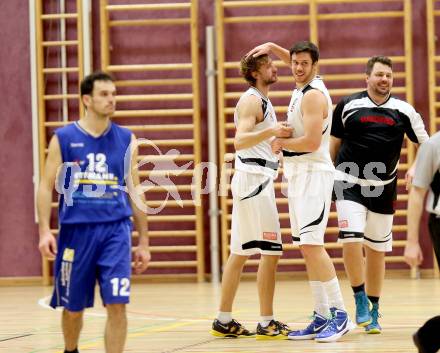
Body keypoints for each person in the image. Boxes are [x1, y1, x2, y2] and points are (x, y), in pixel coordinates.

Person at [37, 72, 151, 353]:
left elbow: (135, 190)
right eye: (104, 94)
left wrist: (144, 241)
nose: (111, 99)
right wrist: (43, 232)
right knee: (73, 309)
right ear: (87, 99)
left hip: (116, 231)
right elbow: (44, 186)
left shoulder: (126, 138)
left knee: (117, 304)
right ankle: (70, 350)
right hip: (76, 233)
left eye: (113, 93)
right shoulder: (63, 138)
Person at [248, 41, 354, 343]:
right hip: (298, 175)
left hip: (313, 175)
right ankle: (322, 315)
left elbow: (309, 142)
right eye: (293, 62)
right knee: (306, 247)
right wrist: (271, 46)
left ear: (315, 65)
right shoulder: (302, 86)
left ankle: (340, 313)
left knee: (312, 245)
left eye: (304, 63)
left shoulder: (313, 96)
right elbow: (295, 58)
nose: (296, 67)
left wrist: (281, 143)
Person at [330, 56, 429, 334]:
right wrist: (331, 176)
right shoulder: (348, 105)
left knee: (376, 251)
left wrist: (417, 169)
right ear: (367, 77)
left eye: (388, 75)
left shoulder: (404, 110)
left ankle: (373, 310)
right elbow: (333, 144)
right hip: (348, 181)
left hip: (384, 187)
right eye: (379, 75)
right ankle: (359, 296)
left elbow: (428, 145)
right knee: (351, 239)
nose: (384, 79)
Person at [210, 54, 292, 340]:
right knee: (271, 251)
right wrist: (272, 131)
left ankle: (223, 319)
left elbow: (254, 139)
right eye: (269, 65)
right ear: (256, 72)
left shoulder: (262, 100)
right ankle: (266, 321)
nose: (275, 67)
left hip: (254, 180)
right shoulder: (251, 100)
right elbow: (239, 139)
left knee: (240, 252)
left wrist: (274, 144)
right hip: (254, 182)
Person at [404, 131, 440, 352]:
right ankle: (429, 336)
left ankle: (428, 337)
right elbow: (417, 194)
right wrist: (411, 241)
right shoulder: (433, 145)